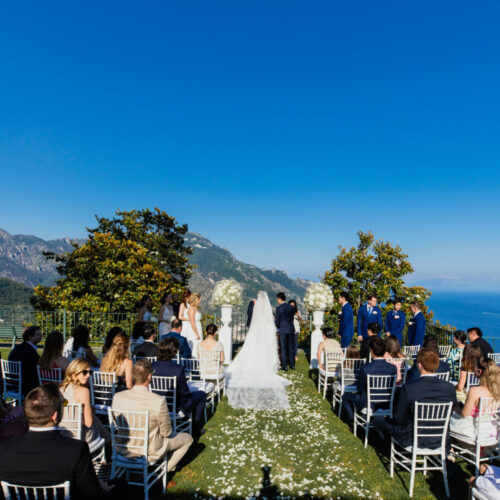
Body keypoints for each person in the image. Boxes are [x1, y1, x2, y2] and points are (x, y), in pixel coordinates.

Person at [0, 384, 114, 499]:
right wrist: (101, 487)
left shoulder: (4, 450)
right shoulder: (76, 450)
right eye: (63, 404)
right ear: (55, 416)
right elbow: (92, 494)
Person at [111, 360, 193, 478]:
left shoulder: (118, 397)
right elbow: (167, 432)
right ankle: (162, 472)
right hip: (150, 450)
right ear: (149, 377)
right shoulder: (158, 400)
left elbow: (116, 425)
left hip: (123, 448)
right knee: (188, 439)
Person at [373, 348, 457, 449]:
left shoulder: (409, 388)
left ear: (419, 365)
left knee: (378, 420)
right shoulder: (450, 388)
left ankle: (393, 448)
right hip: (439, 437)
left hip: (412, 438)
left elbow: (399, 419)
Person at [225, 291, 291, 410]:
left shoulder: (257, 307)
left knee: (253, 347)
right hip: (261, 332)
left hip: (256, 331)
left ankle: (255, 362)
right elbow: (269, 321)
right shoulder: (264, 309)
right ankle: (263, 364)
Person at [152, 339, 207, 437]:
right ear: (173, 353)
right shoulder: (178, 369)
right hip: (175, 406)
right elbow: (184, 393)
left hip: (156, 404)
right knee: (202, 394)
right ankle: (196, 428)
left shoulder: (152, 366)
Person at [341, 338, 397, 423]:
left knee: (345, 396)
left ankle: (352, 420)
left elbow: (359, 388)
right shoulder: (393, 368)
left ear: (371, 351)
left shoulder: (366, 368)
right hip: (386, 402)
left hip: (368, 403)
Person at [59, 358, 109, 444]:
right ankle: (109, 443)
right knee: (94, 419)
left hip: (63, 432)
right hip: (79, 435)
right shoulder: (83, 391)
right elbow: (88, 423)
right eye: (84, 372)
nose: (88, 375)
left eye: (90, 372)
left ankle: (109, 441)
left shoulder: (60, 389)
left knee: (93, 416)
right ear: (74, 373)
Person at [450, 357, 500, 440]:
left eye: (474, 367)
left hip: (473, 429)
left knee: (448, 417)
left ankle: (448, 447)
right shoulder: (497, 390)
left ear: (479, 371)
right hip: (490, 428)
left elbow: (464, 414)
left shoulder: (475, 391)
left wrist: (457, 407)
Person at [8, 325, 42, 396]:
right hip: (25, 386)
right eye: (38, 334)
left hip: (13, 382)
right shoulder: (29, 352)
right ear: (30, 337)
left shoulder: (18, 348)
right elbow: (39, 366)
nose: (41, 336)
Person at [275, 292, 295, 371]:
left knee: (283, 348)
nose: (277, 301)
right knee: (290, 347)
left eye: (277, 299)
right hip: (290, 329)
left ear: (279, 299)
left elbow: (277, 321)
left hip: (283, 330)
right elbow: (292, 318)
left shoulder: (278, 308)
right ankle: (292, 365)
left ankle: (285, 366)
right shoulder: (290, 307)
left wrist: (279, 326)